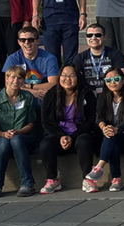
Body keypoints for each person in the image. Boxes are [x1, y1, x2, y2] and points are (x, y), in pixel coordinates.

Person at [38, 65, 97, 194]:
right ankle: (52, 179)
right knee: (45, 144)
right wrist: (61, 136)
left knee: (84, 141)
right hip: (59, 135)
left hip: (79, 134)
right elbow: (46, 122)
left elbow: (90, 121)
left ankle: (88, 179)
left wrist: (73, 136)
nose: (67, 79)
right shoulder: (51, 94)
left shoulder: (86, 94)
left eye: (71, 76)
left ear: (78, 77)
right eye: (64, 75)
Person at [0, 65, 40, 198]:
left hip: (24, 136)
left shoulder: (27, 97)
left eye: (20, 78)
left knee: (16, 140)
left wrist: (17, 132)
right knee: (3, 144)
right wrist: (4, 134)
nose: (16, 81)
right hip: (1, 137)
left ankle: (27, 183)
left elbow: (30, 124)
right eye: (13, 77)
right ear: (7, 78)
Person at [86, 68, 124, 192]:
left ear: (123, 80)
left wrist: (117, 129)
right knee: (112, 141)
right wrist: (104, 127)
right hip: (109, 136)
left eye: (116, 79)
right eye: (108, 80)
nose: (112, 82)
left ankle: (100, 168)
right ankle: (116, 179)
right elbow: (99, 117)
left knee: (111, 137)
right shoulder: (103, 97)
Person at [3, 26, 60, 100]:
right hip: (20, 95)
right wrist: (32, 92)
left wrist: (30, 86)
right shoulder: (12, 59)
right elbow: (8, 85)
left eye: (31, 40)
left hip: (42, 94)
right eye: (23, 40)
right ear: (19, 42)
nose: (27, 42)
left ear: (38, 41)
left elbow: (53, 84)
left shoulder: (49, 58)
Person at [74, 23, 124, 94]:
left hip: (110, 93)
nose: (93, 38)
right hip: (88, 94)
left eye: (98, 35)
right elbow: (75, 80)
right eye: (89, 35)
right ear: (86, 38)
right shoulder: (79, 58)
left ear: (105, 37)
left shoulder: (116, 55)